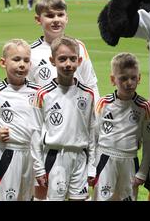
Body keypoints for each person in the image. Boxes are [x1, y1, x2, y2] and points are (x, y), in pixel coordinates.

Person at [32, 36, 96, 201]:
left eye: (72, 59)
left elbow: (92, 132)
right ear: (52, 61)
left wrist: (92, 167)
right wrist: (39, 168)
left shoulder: (87, 94)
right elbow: (35, 133)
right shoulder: (43, 94)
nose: (68, 64)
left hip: (80, 158)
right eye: (62, 59)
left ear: (79, 60)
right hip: (54, 157)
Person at [93, 53, 150, 201]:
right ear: (113, 80)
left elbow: (149, 142)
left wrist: (142, 172)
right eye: (123, 78)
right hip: (105, 158)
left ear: (139, 78)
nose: (129, 83)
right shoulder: (104, 104)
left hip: (129, 161)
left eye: (133, 78)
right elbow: (93, 137)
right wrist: (91, 167)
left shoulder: (144, 107)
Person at [0, 39, 41, 201]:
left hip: (31, 155)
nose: (22, 64)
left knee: (26, 196)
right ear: (3, 62)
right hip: (6, 153)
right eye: (16, 59)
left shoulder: (39, 93)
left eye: (26, 60)